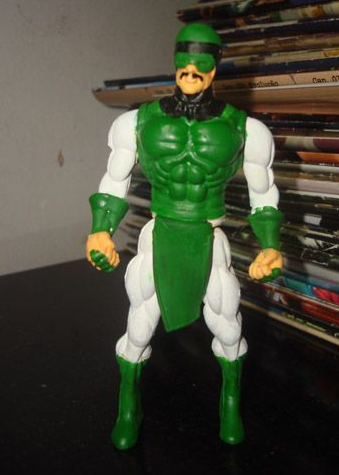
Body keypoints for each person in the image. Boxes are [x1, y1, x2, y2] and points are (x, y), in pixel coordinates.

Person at [86, 23, 283, 449]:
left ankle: (230, 399)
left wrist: (270, 246)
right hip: (160, 232)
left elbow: (263, 192)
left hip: (209, 235)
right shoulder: (137, 122)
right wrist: (100, 230)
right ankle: (128, 403)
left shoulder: (246, 130)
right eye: (184, 65)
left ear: (214, 70)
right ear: (174, 64)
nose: (190, 74)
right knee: (139, 324)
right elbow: (114, 180)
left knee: (227, 324)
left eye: (200, 66)